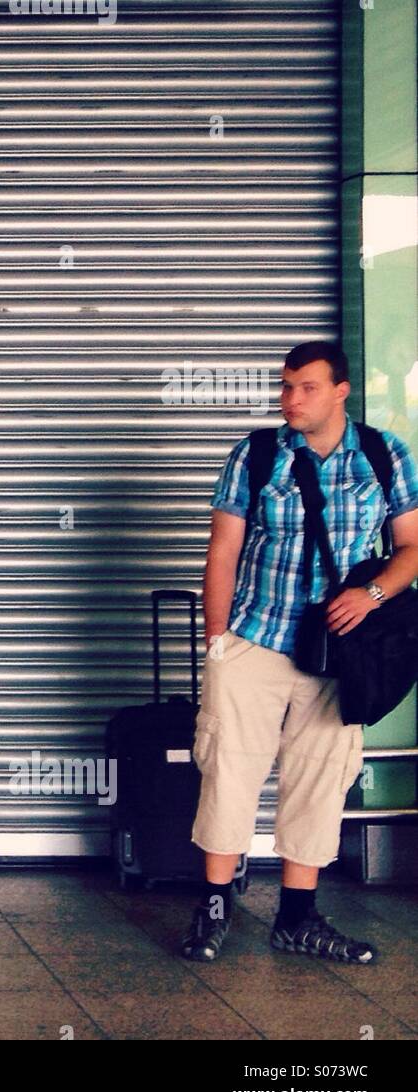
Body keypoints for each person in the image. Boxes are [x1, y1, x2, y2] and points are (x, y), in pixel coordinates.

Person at [180, 340, 418, 963]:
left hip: (339, 653)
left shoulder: (384, 455)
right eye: (285, 386)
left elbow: (412, 548)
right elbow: (223, 553)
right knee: (229, 771)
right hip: (255, 639)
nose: (290, 399)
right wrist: (217, 644)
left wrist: (372, 593)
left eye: (305, 387)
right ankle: (212, 908)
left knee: (319, 780)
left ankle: (297, 916)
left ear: (342, 390)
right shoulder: (257, 454)